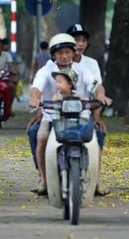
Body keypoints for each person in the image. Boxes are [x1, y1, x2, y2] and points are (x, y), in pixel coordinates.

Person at [28, 33, 111, 196]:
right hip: (52, 116)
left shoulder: (82, 69)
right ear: (53, 55)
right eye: (60, 53)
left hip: (82, 116)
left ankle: (97, 180)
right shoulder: (46, 70)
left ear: (73, 53)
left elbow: (96, 85)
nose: (64, 56)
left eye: (67, 52)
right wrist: (35, 98)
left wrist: (100, 96)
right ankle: (44, 179)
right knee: (41, 138)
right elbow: (36, 87)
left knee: (94, 142)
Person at [68, 23, 109, 195]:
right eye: (76, 40)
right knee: (37, 133)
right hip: (59, 113)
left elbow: (97, 89)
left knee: (98, 134)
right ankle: (45, 177)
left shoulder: (90, 65)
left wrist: (96, 116)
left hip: (85, 113)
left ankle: (96, 179)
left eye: (83, 40)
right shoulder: (56, 64)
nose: (80, 44)